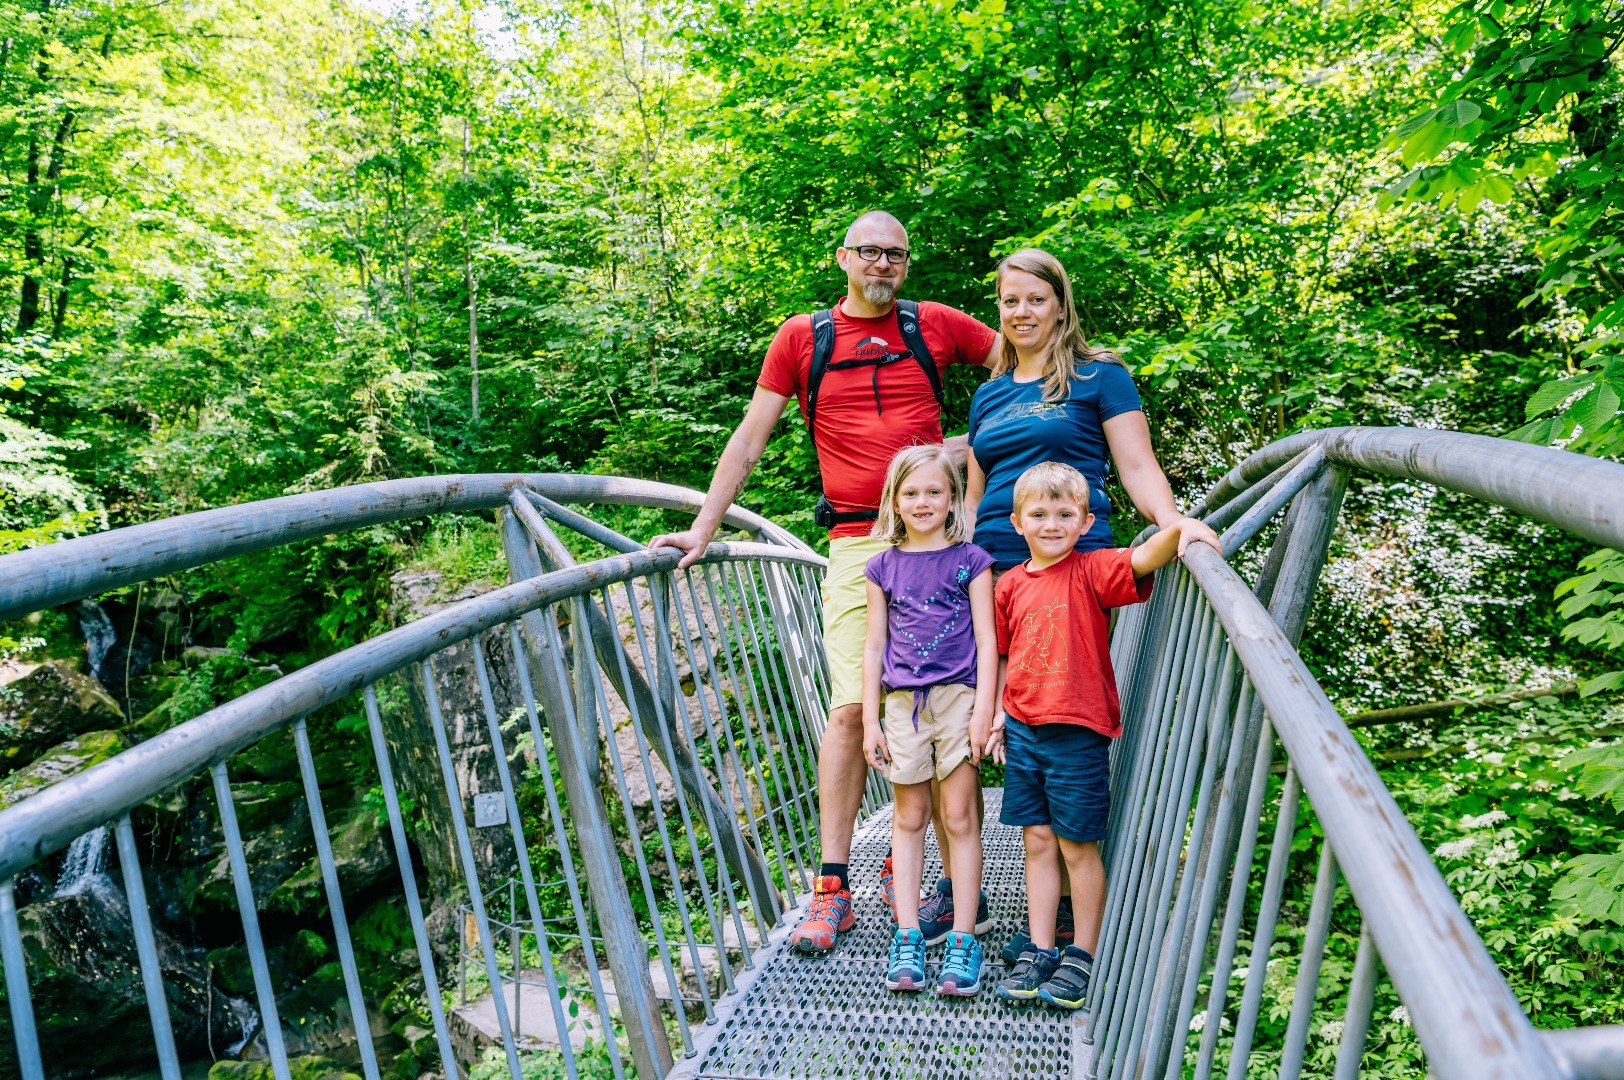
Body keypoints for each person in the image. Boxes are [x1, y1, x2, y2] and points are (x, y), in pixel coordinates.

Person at [647, 211, 1000, 956]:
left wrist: (972, 447)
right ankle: (831, 889)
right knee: (851, 711)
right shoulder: (802, 338)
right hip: (854, 547)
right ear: (843, 257)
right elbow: (751, 435)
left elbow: (1027, 365)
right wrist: (705, 527)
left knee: (940, 701)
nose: (883, 263)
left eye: (896, 254)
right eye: (869, 251)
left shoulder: (933, 325)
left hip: (942, 544)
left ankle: (941, 885)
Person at [965, 246, 1221, 961]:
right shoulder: (988, 394)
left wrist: (1173, 526)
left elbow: (1136, 464)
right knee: (1006, 719)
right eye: (1009, 301)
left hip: (1073, 565)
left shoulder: (1098, 376)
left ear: (1060, 304)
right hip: (993, 571)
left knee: (1062, 712)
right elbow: (976, 492)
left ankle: (1078, 920)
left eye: (1034, 300)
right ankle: (991, 901)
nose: (1021, 312)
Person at [989, 462, 1187, 1010]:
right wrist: (1001, 714)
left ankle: (1084, 952)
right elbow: (1006, 655)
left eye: (1064, 514)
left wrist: (1180, 527)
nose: (1051, 524)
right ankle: (1042, 944)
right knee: (1036, 841)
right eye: (1039, 514)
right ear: (1017, 522)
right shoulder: (1008, 585)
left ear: (1084, 521)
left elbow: (1148, 554)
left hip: (1077, 731)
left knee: (1078, 844)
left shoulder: (1092, 569)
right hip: (1026, 728)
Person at [860, 445, 997, 996]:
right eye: (911, 493)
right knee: (910, 815)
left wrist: (985, 709)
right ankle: (909, 933)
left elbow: (988, 640)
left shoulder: (972, 561)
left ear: (953, 498)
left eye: (934, 492)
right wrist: (870, 721)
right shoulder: (881, 567)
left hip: (959, 699)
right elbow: (874, 647)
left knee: (959, 816)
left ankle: (964, 938)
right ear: (895, 500)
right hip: (901, 705)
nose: (923, 502)